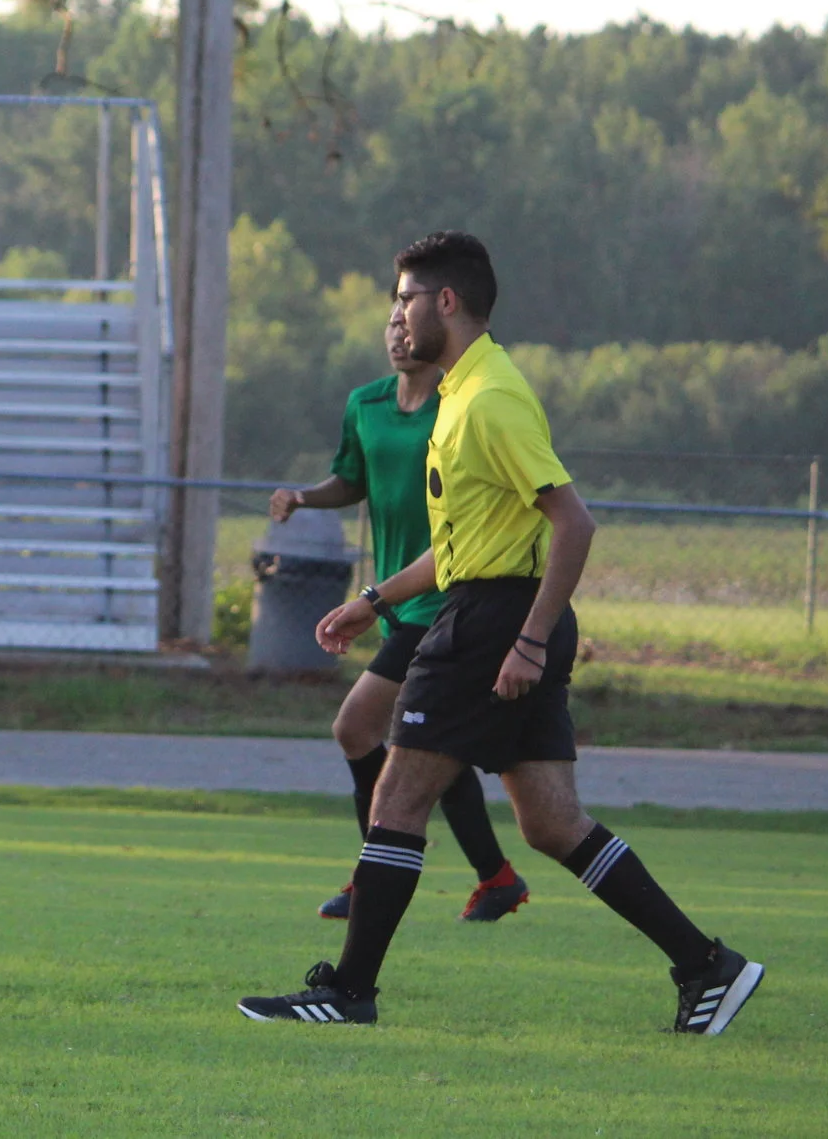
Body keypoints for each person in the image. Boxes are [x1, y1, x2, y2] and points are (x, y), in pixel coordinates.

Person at [240, 232, 762, 1033]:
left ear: (445, 301)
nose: (398, 312)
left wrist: (527, 638)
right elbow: (460, 546)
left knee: (399, 793)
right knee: (552, 822)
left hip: (492, 623)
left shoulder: (491, 397)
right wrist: (374, 599)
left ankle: (348, 991)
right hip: (491, 609)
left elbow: (574, 523)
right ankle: (707, 965)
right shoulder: (462, 391)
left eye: (406, 296)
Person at [268, 317, 527, 924]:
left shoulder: (460, 404)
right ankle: (497, 877)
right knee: (425, 745)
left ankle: (370, 881)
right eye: (389, 320)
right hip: (393, 596)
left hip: (443, 596)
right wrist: (304, 496)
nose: (397, 331)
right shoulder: (366, 403)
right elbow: (352, 480)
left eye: (407, 317)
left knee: (356, 727)